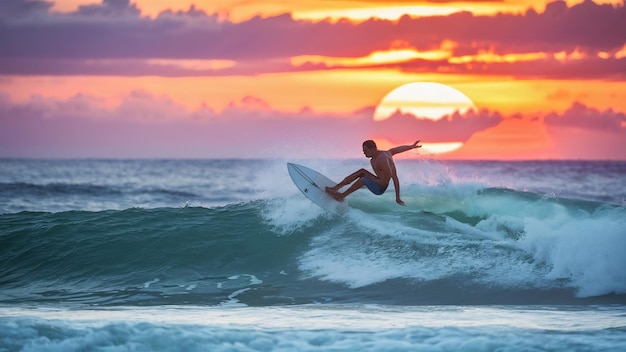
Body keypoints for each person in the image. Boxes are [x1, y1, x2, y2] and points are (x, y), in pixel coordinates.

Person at [325, 140, 421, 205]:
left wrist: (397, 197)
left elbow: (393, 178)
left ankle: (341, 196)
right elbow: (397, 149)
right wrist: (411, 146)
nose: (364, 153)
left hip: (380, 187)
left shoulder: (382, 159)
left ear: (372, 149)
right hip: (377, 180)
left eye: (366, 151)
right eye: (363, 151)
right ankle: (336, 188)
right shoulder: (383, 154)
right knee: (361, 171)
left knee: (363, 179)